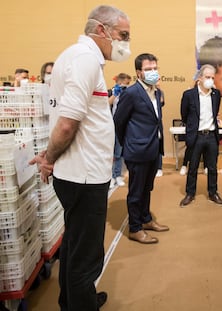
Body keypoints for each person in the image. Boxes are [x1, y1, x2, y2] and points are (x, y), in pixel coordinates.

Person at [29, 5, 131, 310]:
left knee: (74, 243)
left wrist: (51, 156)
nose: (125, 43)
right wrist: (48, 157)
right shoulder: (85, 60)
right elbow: (67, 123)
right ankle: (81, 303)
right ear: (101, 29)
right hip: (85, 176)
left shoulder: (75, 57)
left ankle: (73, 300)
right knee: (86, 256)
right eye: (123, 35)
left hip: (78, 171)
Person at [114, 53, 169, 244]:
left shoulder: (157, 91)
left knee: (147, 188)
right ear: (139, 73)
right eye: (148, 69)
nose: (153, 72)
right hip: (137, 150)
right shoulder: (131, 93)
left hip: (153, 148)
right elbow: (119, 121)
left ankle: (145, 220)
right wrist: (129, 143)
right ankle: (135, 228)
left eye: (155, 68)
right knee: (136, 192)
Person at [179, 64, 222, 207]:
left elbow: (215, 113)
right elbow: (184, 115)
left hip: (212, 135)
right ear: (200, 78)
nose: (210, 80)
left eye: (213, 78)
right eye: (207, 77)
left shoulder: (216, 94)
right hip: (196, 136)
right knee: (192, 167)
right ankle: (190, 193)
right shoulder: (189, 95)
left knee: (212, 167)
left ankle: (213, 193)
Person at [109, 72, 131, 189]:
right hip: (111, 126)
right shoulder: (111, 92)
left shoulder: (129, 94)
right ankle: (112, 176)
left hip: (124, 126)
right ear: (119, 82)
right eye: (125, 84)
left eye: (128, 85)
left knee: (121, 152)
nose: (126, 86)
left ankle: (118, 175)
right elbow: (107, 104)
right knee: (113, 153)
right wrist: (115, 94)